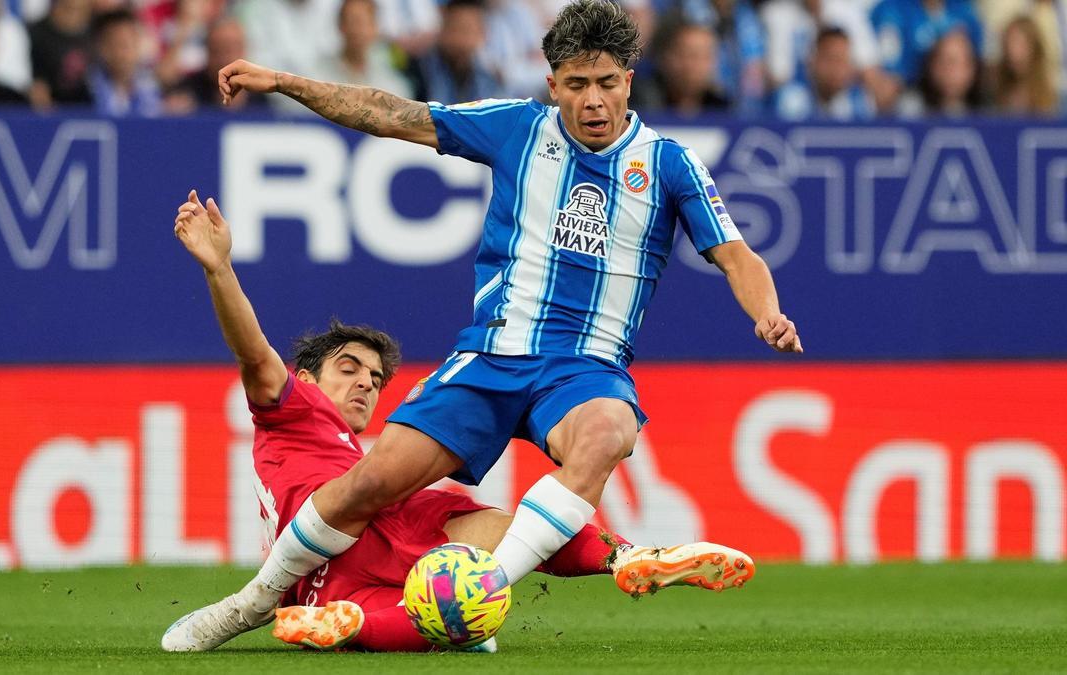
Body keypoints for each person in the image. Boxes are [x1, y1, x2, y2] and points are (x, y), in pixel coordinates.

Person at [164, 0, 799, 652]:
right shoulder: (518, 128)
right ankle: (251, 602)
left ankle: (482, 587)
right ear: (553, 85)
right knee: (370, 484)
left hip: (584, 367)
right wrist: (286, 82)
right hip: (491, 357)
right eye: (577, 84)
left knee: (611, 428)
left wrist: (767, 312)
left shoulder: (670, 164)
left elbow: (735, 254)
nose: (593, 100)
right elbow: (393, 115)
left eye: (607, 82)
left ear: (629, 81)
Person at [163, 189, 755, 652]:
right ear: (308, 376)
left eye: (375, 377)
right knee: (442, 618)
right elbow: (253, 352)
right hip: (328, 557)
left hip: (388, 518)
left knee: (502, 542)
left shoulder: (354, 446)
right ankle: (306, 614)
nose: (366, 383)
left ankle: (627, 557)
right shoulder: (291, 410)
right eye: (350, 368)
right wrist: (219, 269)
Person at [773, 26, 875, 121]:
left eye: (842, 61)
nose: (836, 69)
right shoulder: (792, 98)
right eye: (830, 59)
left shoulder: (859, 102)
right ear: (813, 61)